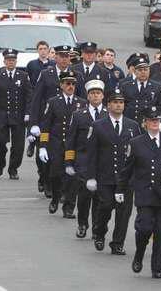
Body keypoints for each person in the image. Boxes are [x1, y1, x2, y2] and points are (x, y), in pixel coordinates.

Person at [116, 106, 161, 279]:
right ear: (145, 123)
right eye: (152, 120)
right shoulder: (136, 143)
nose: (155, 123)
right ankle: (139, 253)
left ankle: (157, 267)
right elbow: (126, 170)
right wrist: (120, 189)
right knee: (144, 229)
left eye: (157, 120)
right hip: (146, 195)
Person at [86, 89, 141, 255]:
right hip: (106, 176)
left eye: (121, 102)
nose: (119, 105)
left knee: (124, 213)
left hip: (126, 179)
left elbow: (138, 152)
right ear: (108, 105)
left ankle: (117, 243)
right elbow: (91, 153)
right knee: (106, 206)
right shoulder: (98, 125)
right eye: (115, 102)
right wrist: (91, 177)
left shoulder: (133, 126)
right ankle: (99, 232)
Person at [29, 45, 84, 195]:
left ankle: (61, 188)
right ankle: (45, 181)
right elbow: (37, 99)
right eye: (61, 56)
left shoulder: (77, 75)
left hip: (69, 121)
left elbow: (82, 99)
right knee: (46, 156)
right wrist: (33, 124)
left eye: (67, 56)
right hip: (47, 120)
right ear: (55, 57)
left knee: (65, 157)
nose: (65, 59)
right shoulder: (46, 74)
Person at [38, 71, 87, 217]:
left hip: (73, 146)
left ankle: (68, 208)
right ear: (61, 85)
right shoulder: (53, 102)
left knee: (72, 178)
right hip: (57, 144)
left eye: (73, 84)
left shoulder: (82, 103)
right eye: (67, 84)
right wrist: (43, 146)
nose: (70, 86)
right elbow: (46, 125)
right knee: (56, 175)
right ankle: (55, 198)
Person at [64, 79, 108, 240]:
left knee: (100, 198)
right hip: (83, 161)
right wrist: (69, 162)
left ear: (103, 96)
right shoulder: (78, 115)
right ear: (88, 96)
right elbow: (70, 140)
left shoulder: (108, 115)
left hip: (103, 163)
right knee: (84, 197)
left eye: (98, 93)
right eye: (92, 93)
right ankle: (82, 223)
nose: (95, 96)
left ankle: (97, 227)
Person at [0, 48, 32, 179]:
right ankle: (1, 164)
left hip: (18, 116)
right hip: (2, 115)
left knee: (18, 146)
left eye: (13, 60)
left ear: (16, 61)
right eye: (8, 60)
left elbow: (29, 96)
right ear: (4, 61)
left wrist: (28, 112)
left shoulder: (23, 76)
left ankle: (13, 169)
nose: (10, 62)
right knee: (1, 143)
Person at [120, 58, 161, 124]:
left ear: (149, 71)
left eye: (145, 70)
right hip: (130, 122)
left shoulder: (157, 86)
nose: (143, 72)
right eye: (140, 70)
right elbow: (122, 104)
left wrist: (160, 122)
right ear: (135, 72)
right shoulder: (126, 86)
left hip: (148, 122)